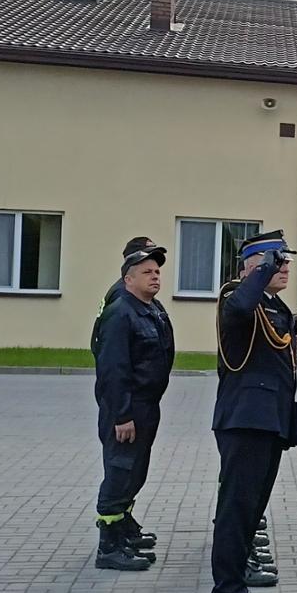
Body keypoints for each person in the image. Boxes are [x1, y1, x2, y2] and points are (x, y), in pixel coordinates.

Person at [208, 230, 297, 593]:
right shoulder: (236, 297)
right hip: (246, 421)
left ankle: (236, 589)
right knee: (237, 509)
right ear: (252, 266)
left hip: (269, 420)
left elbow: (276, 327)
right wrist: (261, 271)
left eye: (284, 262)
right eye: (275, 261)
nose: (284, 268)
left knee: (252, 510)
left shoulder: (269, 303)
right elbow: (242, 312)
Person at [91, 245, 174, 571]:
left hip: (145, 406)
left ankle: (124, 531)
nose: (155, 277)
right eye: (147, 272)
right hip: (125, 411)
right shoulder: (120, 312)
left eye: (157, 272)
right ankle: (109, 547)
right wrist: (122, 414)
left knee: (135, 471)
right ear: (128, 279)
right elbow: (113, 369)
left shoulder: (150, 308)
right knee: (121, 470)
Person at [91, 237, 155, 356]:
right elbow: (115, 355)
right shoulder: (123, 294)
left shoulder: (140, 294)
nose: (153, 263)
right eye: (148, 257)